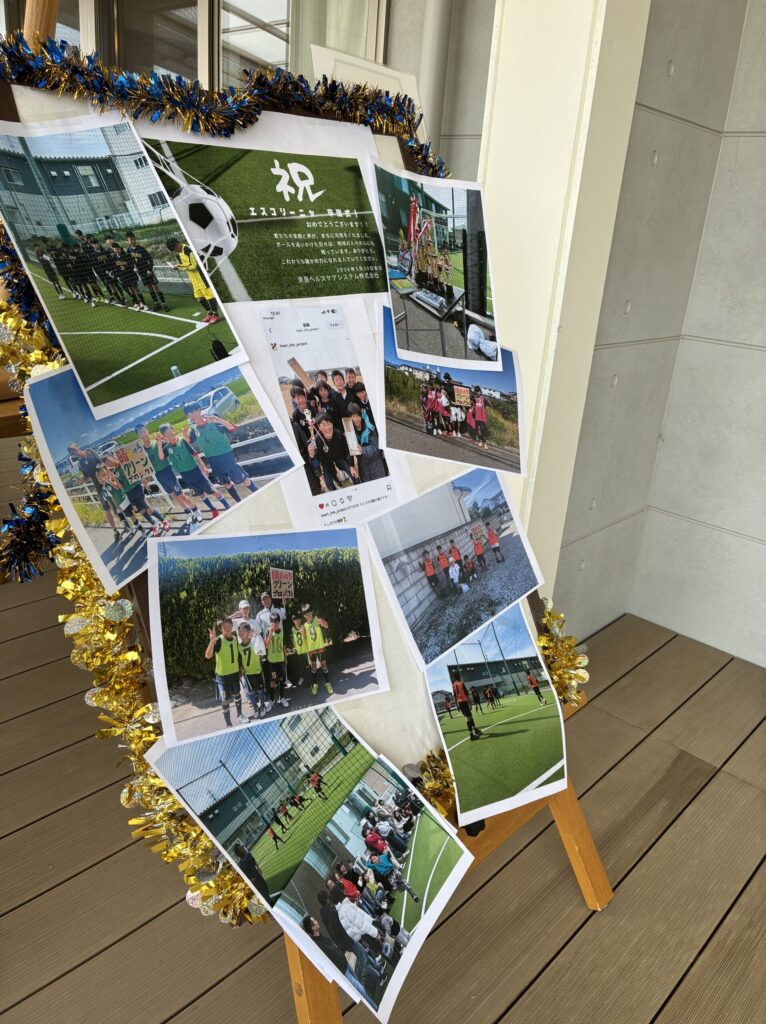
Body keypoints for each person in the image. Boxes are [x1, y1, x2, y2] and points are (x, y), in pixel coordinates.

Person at [185, 401, 257, 502]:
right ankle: (239, 502)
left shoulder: (213, 423)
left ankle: (259, 493)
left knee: (244, 480)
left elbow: (232, 428)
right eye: (188, 414)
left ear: (199, 410)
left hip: (225, 456)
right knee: (226, 484)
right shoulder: (194, 429)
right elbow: (190, 440)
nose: (190, 415)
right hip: (212, 460)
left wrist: (219, 420)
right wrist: (184, 434)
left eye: (192, 412)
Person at [135, 423, 203, 528]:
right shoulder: (142, 451)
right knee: (174, 495)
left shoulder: (158, 442)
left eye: (144, 431)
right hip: (158, 475)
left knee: (181, 495)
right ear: (138, 436)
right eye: (140, 433)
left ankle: (196, 510)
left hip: (168, 471)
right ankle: (189, 513)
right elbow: (146, 467)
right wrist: (145, 479)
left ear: (147, 431)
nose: (143, 434)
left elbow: (171, 444)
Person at [157, 423, 230, 517]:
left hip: (196, 471)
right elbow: (161, 457)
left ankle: (227, 506)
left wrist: (202, 465)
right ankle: (213, 510)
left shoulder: (182, 441)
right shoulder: (167, 448)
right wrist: (159, 444)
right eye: (167, 434)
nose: (170, 435)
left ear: (173, 431)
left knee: (212, 491)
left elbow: (194, 453)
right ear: (164, 436)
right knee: (200, 494)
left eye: (171, 432)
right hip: (185, 475)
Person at [301, 916, 374, 1004]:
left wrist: (340, 952)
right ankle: (374, 1008)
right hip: (342, 972)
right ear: (312, 927)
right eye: (314, 921)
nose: (316, 921)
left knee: (359, 990)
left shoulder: (321, 935)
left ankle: (369, 1003)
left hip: (345, 964)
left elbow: (333, 947)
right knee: (361, 990)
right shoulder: (316, 944)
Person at [102, 454, 170, 537]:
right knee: (141, 511)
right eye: (107, 464)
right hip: (129, 493)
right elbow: (120, 487)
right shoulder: (115, 472)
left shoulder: (124, 464)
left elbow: (136, 470)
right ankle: (154, 523)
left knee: (148, 508)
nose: (110, 463)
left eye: (109, 461)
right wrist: (114, 480)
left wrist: (144, 480)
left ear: (112, 457)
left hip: (136, 487)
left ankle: (164, 521)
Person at [67, 442, 120, 543]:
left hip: (108, 481)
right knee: (106, 509)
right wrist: (82, 480)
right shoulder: (80, 463)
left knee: (117, 504)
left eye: (74, 450)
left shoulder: (90, 452)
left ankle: (127, 523)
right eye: (71, 452)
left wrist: (104, 475)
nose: (73, 453)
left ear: (77, 447)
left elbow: (102, 463)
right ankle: (115, 531)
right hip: (98, 488)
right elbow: (87, 477)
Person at [166, 236, 222, 323]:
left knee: (209, 295)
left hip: (201, 276)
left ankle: (216, 315)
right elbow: (185, 265)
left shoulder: (188, 250)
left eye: (175, 249)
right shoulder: (179, 253)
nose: (175, 251)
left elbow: (193, 266)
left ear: (177, 244)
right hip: (194, 278)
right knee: (199, 297)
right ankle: (210, 313)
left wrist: (179, 267)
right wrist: (178, 266)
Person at [205, 618, 247, 727]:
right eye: (225, 626)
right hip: (222, 678)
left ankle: (240, 716)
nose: (228, 628)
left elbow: (238, 655)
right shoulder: (218, 641)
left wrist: (241, 668)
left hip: (234, 675)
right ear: (220, 629)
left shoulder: (235, 639)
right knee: (225, 700)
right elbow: (208, 656)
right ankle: (228, 724)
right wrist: (212, 641)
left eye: (229, 625)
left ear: (232, 626)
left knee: (237, 694)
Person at [311, 413, 356, 490]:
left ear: (332, 424)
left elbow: (347, 450)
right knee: (329, 483)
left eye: (329, 424)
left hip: (339, 456)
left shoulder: (339, 434)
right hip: (326, 461)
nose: (327, 428)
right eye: (323, 425)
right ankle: (336, 481)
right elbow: (314, 458)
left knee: (353, 474)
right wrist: (319, 474)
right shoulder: (315, 440)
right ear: (319, 427)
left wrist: (352, 465)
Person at [290, 387, 322, 496]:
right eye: (297, 398)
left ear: (305, 396)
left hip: (319, 438)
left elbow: (319, 420)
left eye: (302, 397)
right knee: (315, 465)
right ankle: (319, 483)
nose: (301, 400)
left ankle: (332, 476)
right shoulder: (295, 415)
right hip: (309, 444)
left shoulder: (311, 407)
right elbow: (299, 432)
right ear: (294, 400)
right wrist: (307, 442)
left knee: (324, 460)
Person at [126, 232, 168, 311]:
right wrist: (133, 267)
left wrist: (149, 269)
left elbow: (150, 259)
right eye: (130, 240)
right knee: (150, 288)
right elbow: (129, 261)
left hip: (148, 271)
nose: (132, 241)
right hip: (141, 273)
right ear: (128, 241)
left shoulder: (141, 248)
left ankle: (164, 304)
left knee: (156, 287)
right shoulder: (129, 250)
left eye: (133, 239)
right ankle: (157, 304)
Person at [347, 403, 387, 482]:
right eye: (353, 416)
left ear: (361, 416)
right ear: (350, 417)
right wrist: (351, 465)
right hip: (363, 468)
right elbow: (350, 450)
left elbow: (376, 448)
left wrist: (363, 450)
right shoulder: (350, 431)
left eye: (358, 416)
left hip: (376, 465)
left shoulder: (369, 429)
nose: (356, 419)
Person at [301, 603, 334, 696]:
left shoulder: (317, 620)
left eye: (309, 613)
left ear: (312, 612)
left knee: (324, 665)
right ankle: (315, 684)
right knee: (313, 667)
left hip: (320, 648)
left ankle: (327, 683)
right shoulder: (304, 626)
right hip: (312, 650)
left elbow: (326, 626)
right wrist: (308, 651)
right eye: (306, 614)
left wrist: (323, 623)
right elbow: (305, 639)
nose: (308, 615)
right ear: (304, 616)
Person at [238, 621, 267, 718]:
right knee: (250, 692)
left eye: (243, 631)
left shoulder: (255, 641)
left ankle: (262, 706)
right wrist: (241, 669)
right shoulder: (239, 647)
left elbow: (262, 651)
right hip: (247, 673)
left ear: (248, 631)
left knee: (260, 690)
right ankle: (255, 708)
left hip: (258, 670)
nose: (241, 634)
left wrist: (255, 635)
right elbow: (239, 660)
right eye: (239, 632)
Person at [110, 243, 148, 309]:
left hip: (131, 274)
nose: (117, 251)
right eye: (115, 249)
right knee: (130, 289)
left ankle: (143, 303)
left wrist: (134, 268)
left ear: (120, 248)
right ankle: (136, 302)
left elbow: (132, 263)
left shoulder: (126, 255)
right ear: (113, 250)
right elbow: (115, 268)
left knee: (135, 288)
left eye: (118, 249)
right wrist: (115, 274)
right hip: (123, 276)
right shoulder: (114, 258)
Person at [265, 611, 290, 709]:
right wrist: (271, 633)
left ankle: (282, 698)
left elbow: (284, 646)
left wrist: (285, 658)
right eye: (272, 622)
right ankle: (271, 700)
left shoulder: (282, 632)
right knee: (272, 682)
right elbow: (266, 646)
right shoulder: (268, 631)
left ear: (279, 622)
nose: (274, 624)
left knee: (281, 679)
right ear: (270, 622)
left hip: (280, 661)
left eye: (276, 622)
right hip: (272, 662)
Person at [452, 670, 482, 741]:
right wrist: (470, 703)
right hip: (464, 702)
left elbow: (455, 696)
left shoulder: (453, 685)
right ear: (459, 676)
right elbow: (467, 694)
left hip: (460, 703)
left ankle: (475, 730)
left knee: (470, 716)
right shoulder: (461, 683)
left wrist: (457, 705)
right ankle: (471, 735)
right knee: (468, 718)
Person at [287, 612, 309, 688]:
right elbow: (292, 639)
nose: (297, 621)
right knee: (301, 665)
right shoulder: (292, 629)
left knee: (307, 665)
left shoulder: (303, 626)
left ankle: (309, 679)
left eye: (298, 619)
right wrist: (293, 647)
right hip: (298, 651)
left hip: (305, 649)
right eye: (295, 620)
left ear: (300, 619)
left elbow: (307, 636)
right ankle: (303, 678)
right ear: (293, 621)